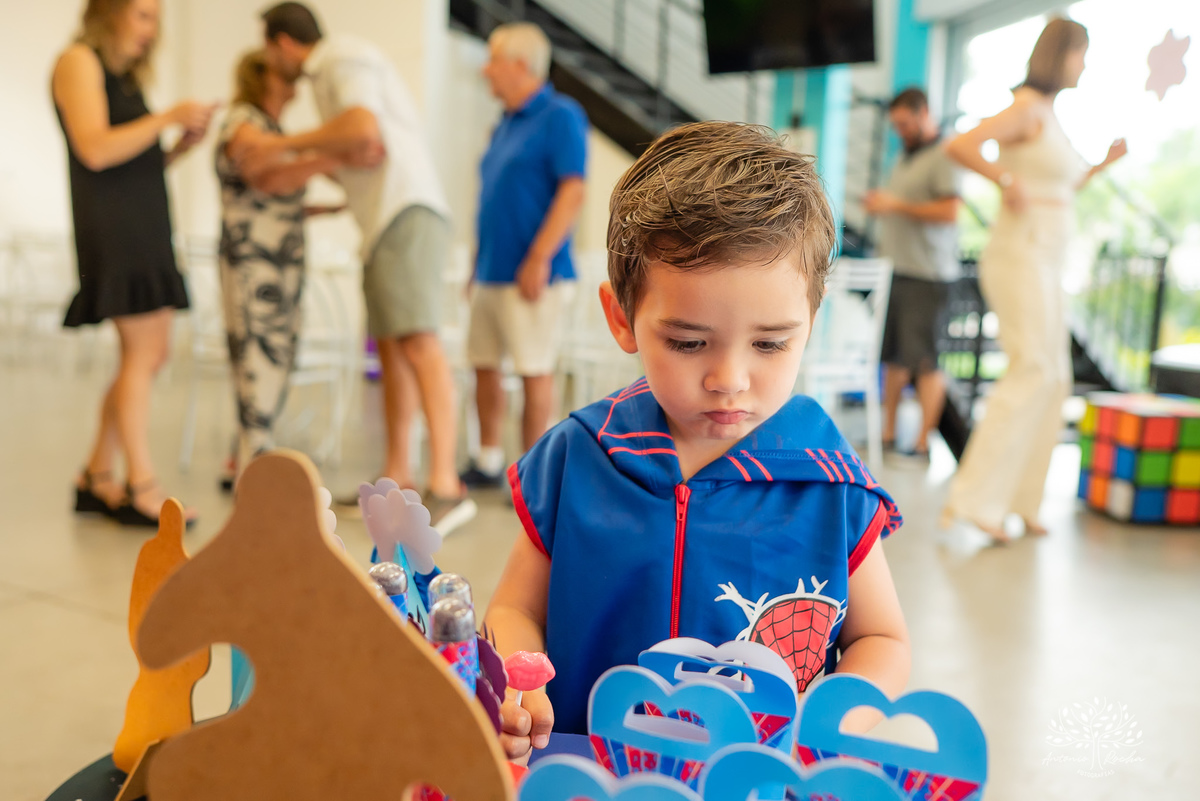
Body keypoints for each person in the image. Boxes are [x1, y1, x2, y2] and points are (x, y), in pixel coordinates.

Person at [484, 121, 911, 755]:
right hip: (588, 769)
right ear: (622, 318)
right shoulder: (575, 457)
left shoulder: (832, 482)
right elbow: (515, 609)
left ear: (811, 322)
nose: (729, 380)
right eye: (688, 342)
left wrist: (832, 720)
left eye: (770, 343)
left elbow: (883, 642)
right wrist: (519, 684)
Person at [250, 2, 474, 532]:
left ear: (283, 43)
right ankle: (398, 477)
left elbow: (362, 131)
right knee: (394, 349)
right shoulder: (335, 73)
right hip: (383, 223)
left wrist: (280, 145)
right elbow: (357, 151)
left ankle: (446, 483)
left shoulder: (339, 57)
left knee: (418, 342)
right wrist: (309, 178)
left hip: (404, 212)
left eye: (266, 48)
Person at [941, 18, 1127, 542]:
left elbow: (1062, 187)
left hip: (1046, 257)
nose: (1083, 65)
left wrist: (1103, 166)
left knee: (1057, 378)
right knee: (1033, 369)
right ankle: (975, 501)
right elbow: (962, 145)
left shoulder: (1049, 117)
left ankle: (1022, 499)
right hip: (1020, 254)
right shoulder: (1025, 108)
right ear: (1059, 54)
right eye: (1079, 55)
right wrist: (1003, 179)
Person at [55, 0, 216, 526]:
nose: (152, 28)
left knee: (145, 355)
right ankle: (140, 483)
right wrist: (166, 116)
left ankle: (97, 475)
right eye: (143, 14)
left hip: (144, 225)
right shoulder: (78, 60)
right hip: (116, 231)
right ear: (111, 10)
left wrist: (177, 148)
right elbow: (96, 150)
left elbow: (132, 163)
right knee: (143, 354)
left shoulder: (122, 77)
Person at [459, 22, 587, 488]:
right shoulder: (505, 123)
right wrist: (476, 264)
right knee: (484, 365)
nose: (486, 70)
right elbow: (493, 200)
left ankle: (535, 475)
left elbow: (573, 190)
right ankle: (489, 460)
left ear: (519, 65)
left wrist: (538, 257)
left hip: (534, 273)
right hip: (493, 269)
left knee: (534, 369)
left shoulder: (560, 115)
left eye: (492, 59)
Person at [214, 50, 344, 484]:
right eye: (285, 78)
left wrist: (319, 209)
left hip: (280, 264)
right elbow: (265, 179)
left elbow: (275, 199)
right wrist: (332, 156)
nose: (294, 85)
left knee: (275, 357)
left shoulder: (272, 130)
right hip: (256, 267)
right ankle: (254, 472)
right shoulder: (242, 122)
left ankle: (247, 459)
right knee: (257, 359)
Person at [864, 87, 962, 461]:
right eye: (896, 125)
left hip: (929, 275)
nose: (900, 131)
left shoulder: (945, 155)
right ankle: (887, 434)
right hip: (897, 270)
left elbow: (950, 212)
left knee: (925, 362)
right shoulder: (905, 158)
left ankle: (922, 443)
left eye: (905, 124)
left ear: (924, 114)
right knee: (893, 358)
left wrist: (897, 205)